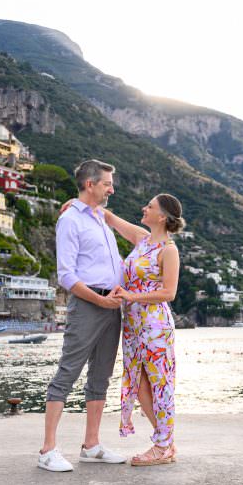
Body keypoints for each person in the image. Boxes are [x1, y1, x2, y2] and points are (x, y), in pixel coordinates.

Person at [59, 192, 184, 466]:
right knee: (139, 387)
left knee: (159, 384)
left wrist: (131, 296)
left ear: (161, 216)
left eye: (149, 206)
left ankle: (162, 445)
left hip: (154, 325)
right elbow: (109, 217)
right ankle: (165, 441)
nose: (144, 208)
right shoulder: (142, 239)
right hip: (133, 325)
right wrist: (78, 205)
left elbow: (169, 292)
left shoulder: (168, 250)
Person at [38, 159, 128, 472]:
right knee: (68, 372)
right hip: (89, 304)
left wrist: (113, 299)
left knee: (101, 375)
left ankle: (91, 445)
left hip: (112, 306)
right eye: (107, 183)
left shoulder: (100, 218)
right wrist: (99, 302)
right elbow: (66, 275)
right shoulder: (70, 221)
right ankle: (47, 449)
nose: (112, 189)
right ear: (90, 184)